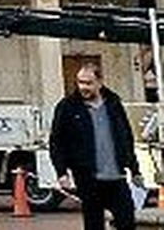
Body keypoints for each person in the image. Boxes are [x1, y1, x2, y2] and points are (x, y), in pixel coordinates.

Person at [50, 60, 140, 230]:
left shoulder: (113, 103)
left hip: (116, 177)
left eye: (88, 83)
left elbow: (125, 137)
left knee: (127, 221)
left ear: (100, 82)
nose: (83, 87)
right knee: (94, 224)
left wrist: (135, 169)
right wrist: (61, 172)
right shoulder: (68, 107)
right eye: (80, 82)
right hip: (88, 178)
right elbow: (56, 141)